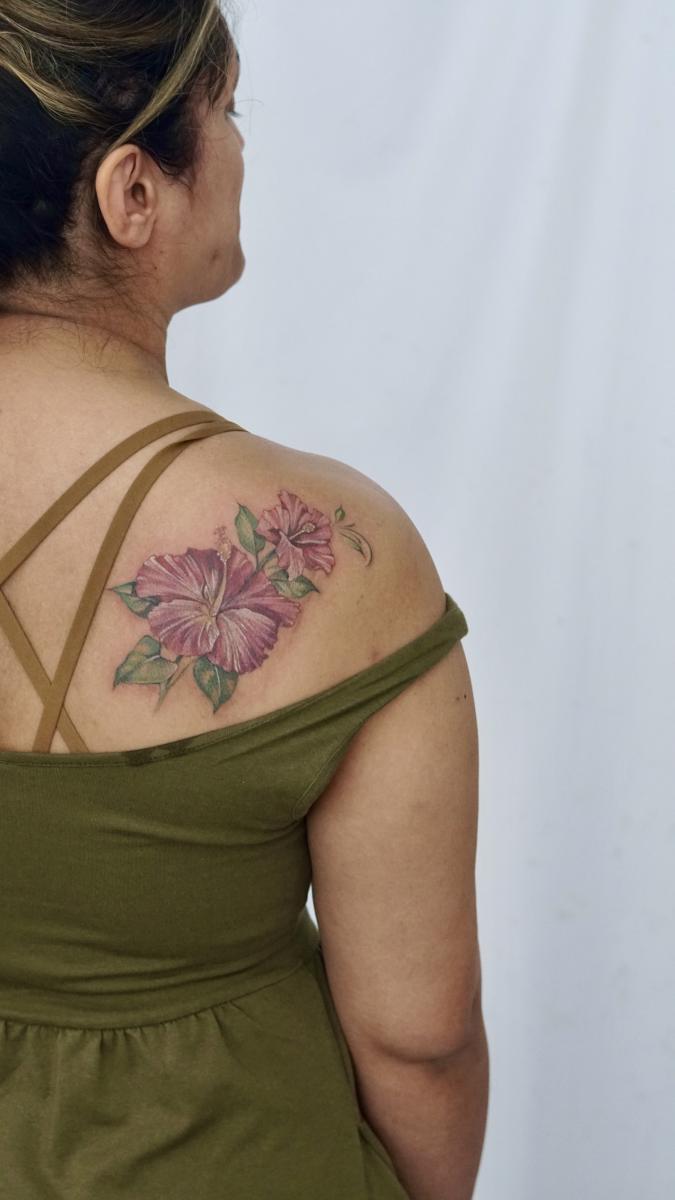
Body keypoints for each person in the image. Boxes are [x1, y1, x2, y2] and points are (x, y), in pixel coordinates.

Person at [0, 2, 489, 1197]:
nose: (239, 148)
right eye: (224, 112)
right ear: (132, 193)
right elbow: (417, 1037)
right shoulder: (339, 551)